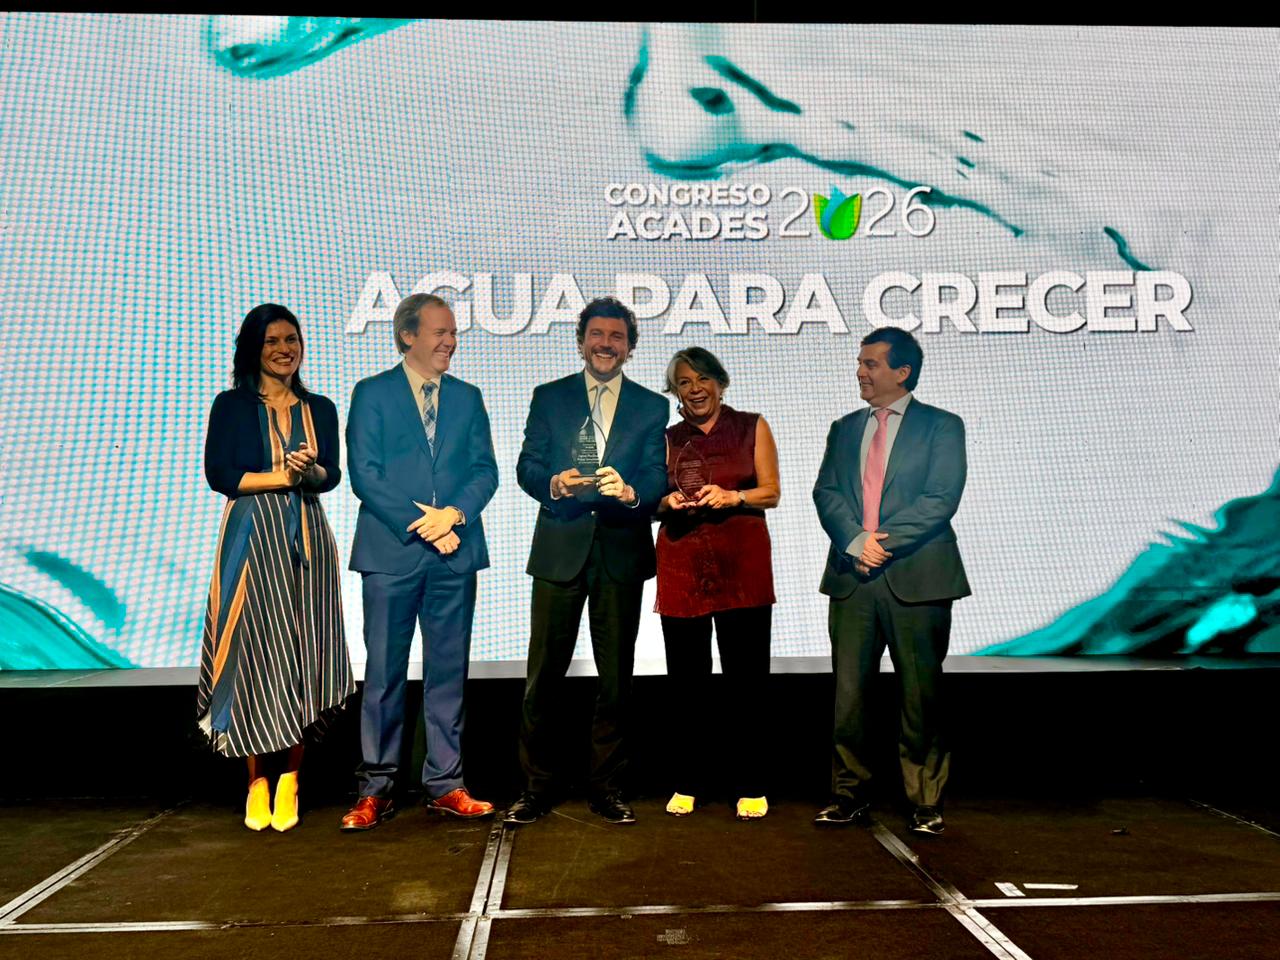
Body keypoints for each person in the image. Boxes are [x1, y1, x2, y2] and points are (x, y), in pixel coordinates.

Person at [506, 297, 668, 826]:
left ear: (630, 347)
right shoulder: (549, 397)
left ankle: (607, 788)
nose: (605, 344)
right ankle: (536, 788)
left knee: (616, 680)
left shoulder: (651, 406)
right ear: (581, 342)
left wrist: (631, 493)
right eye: (597, 334)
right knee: (543, 676)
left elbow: (656, 476)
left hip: (620, 551)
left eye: (616, 337)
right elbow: (527, 465)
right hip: (560, 548)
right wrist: (553, 483)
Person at [340, 293, 499, 830]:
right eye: (440, 332)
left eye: (453, 332)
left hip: (454, 556)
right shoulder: (372, 393)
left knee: (447, 673)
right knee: (384, 674)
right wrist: (424, 524)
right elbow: (365, 474)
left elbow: (485, 471)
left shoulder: (468, 397)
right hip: (392, 554)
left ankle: (446, 784)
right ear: (408, 335)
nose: (450, 341)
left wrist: (452, 516)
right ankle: (376, 789)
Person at [199, 303, 355, 832]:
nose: (285, 349)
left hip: (307, 536)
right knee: (252, 650)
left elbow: (331, 476)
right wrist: (282, 477)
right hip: (250, 537)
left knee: (302, 647)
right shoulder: (231, 405)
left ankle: (290, 777)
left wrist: (310, 472)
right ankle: (255, 782)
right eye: (272, 341)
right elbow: (220, 475)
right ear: (253, 349)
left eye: (292, 339)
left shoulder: (321, 408)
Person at [811, 327, 970, 835]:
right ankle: (848, 795)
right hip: (852, 579)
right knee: (849, 697)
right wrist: (856, 542)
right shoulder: (843, 428)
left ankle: (925, 801)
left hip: (918, 578)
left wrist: (881, 543)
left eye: (871, 364)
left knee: (920, 696)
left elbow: (940, 497)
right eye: (860, 362)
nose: (860, 371)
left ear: (902, 372)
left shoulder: (942, 426)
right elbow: (826, 492)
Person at [655, 347, 780, 821]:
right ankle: (689, 781)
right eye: (684, 382)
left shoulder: (752, 426)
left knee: (747, 683)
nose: (695, 389)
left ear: (721, 383)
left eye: (703, 378)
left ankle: (750, 783)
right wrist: (667, 503)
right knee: (687, 685)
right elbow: (651, 500)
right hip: (683, 567)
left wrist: (734, 497)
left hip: (742, 567)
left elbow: (771, 492)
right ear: (675, 392)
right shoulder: (666, 439)